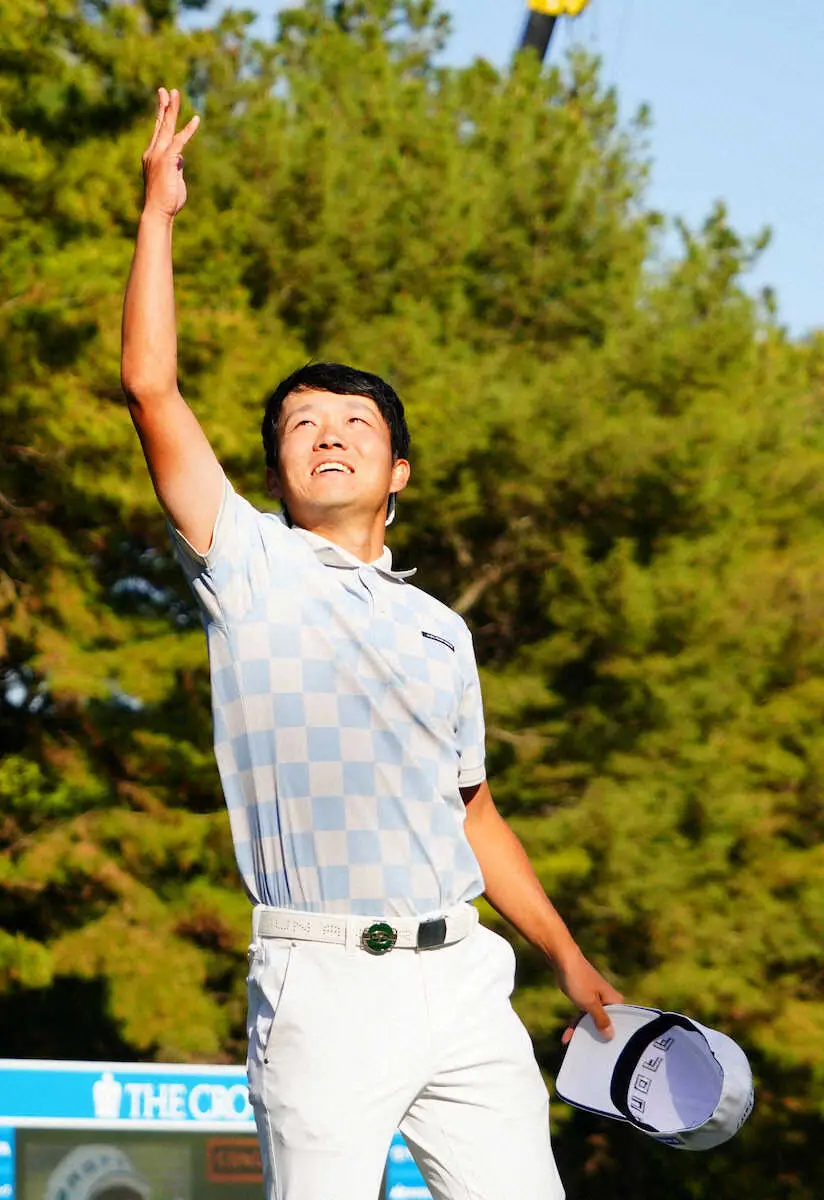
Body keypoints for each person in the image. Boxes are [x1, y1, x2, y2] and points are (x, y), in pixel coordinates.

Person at [121, 87, 624, 1200]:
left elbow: (473, 814)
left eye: (357, 423)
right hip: (325, 986)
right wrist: (158, 214)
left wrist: (567, 957)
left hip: (465, 982)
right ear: (277, 469)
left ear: (397, 472)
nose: (329, 434)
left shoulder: (441, 629)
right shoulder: (247, 566)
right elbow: (150, 388)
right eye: (302, 424)